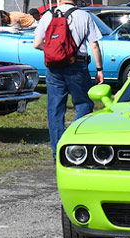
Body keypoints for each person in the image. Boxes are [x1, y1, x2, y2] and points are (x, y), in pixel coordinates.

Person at [33, 0, 104, 155]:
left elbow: (37, 44)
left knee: (55, 108)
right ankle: (76, 147)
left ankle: (57, 151)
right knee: (83, 104)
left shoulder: (48, 15)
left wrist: (55, 52)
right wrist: (99, 69)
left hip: (54, 67)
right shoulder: (84, 16)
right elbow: (94, 45)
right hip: (77, 65)